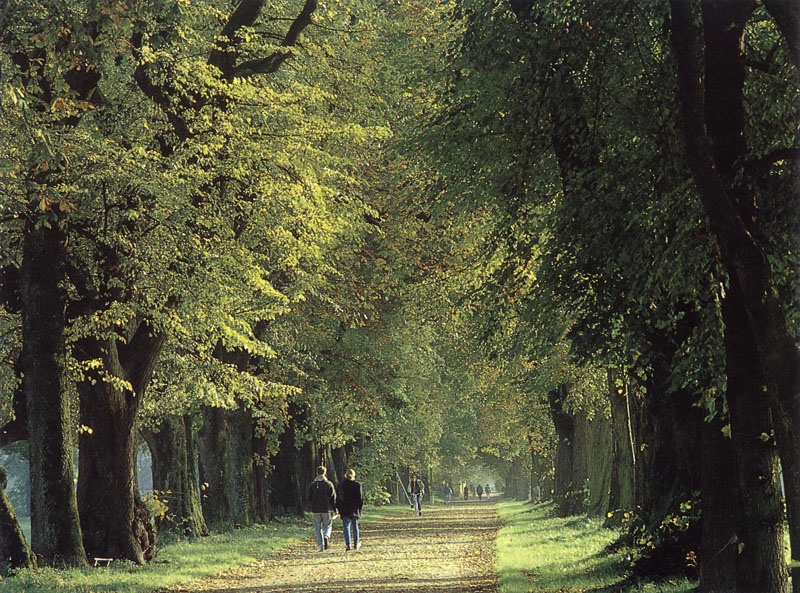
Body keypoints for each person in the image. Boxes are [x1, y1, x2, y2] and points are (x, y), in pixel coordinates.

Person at [307, 465, 336, 551]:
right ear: (325, 473)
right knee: (327, 525)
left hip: (316, 509)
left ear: (316, 473)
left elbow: (309, 497)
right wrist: (334, 508)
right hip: (326, 508)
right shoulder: (329, 484)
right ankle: (326, 536)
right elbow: (333, 497)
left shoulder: (312, 484)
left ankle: (320, 545)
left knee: (317, 527)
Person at [336, 468, 365, 551]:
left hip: (345, 508)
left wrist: (338, 507)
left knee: (346, 527)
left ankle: (348, 544)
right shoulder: (357, 485)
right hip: (354, 508)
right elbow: (361, 498)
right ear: (354, 475)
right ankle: (356, 544)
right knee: (355, 526)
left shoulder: (341, 485)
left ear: (345, 475)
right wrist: (359, 507)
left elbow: (338, 497)